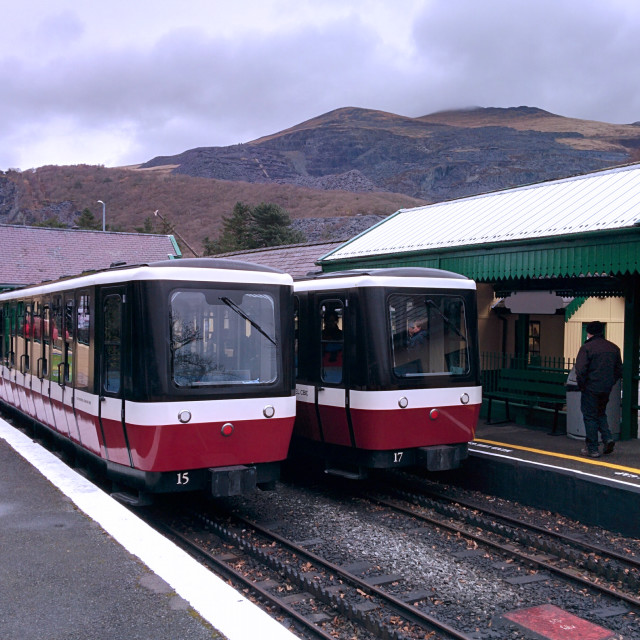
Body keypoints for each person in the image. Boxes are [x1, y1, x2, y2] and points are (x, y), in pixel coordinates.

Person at [574, 321, 622, 458]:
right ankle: (607, 438)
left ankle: (593, 448)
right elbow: (619, 370)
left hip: (590, 387)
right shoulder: (614, 348)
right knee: (600, 413)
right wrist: (610, 383)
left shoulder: (587, 348)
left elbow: (580, 370)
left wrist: (582, 385)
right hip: (606, 388)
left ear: (589, 332)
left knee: (590, 416)